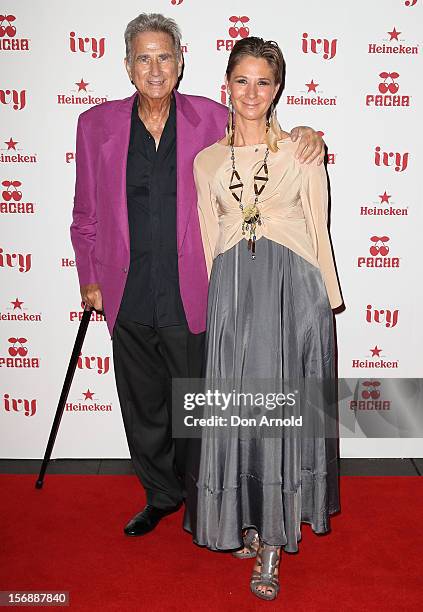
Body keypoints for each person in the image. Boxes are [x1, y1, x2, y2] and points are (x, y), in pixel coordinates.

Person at [70, 13, 325, 539]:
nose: (155, 67)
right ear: (127, 66)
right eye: (143, 57)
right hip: (128, 289)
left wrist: (307, 133)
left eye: (164, 55)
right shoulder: (95, 126)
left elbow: (261, 129)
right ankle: (160, 495)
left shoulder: (210, 117)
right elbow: (85, 214)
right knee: (143, 406)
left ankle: (201, 498)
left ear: (182, 61)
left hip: (195, 291)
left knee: (196, 404)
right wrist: (88, 277)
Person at [184, 37, 343, 601]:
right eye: (242, 80)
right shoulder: (205, 162)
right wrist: (219, 304)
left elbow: (318, 224)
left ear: (278, 91)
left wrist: (324, 301)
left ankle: (273, 540)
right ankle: (244, 521)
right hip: (233, 292)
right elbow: (209, 238)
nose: (252, 93)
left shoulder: (301, 150)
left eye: (264, 82)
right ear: (227, 84)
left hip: (292, 289)